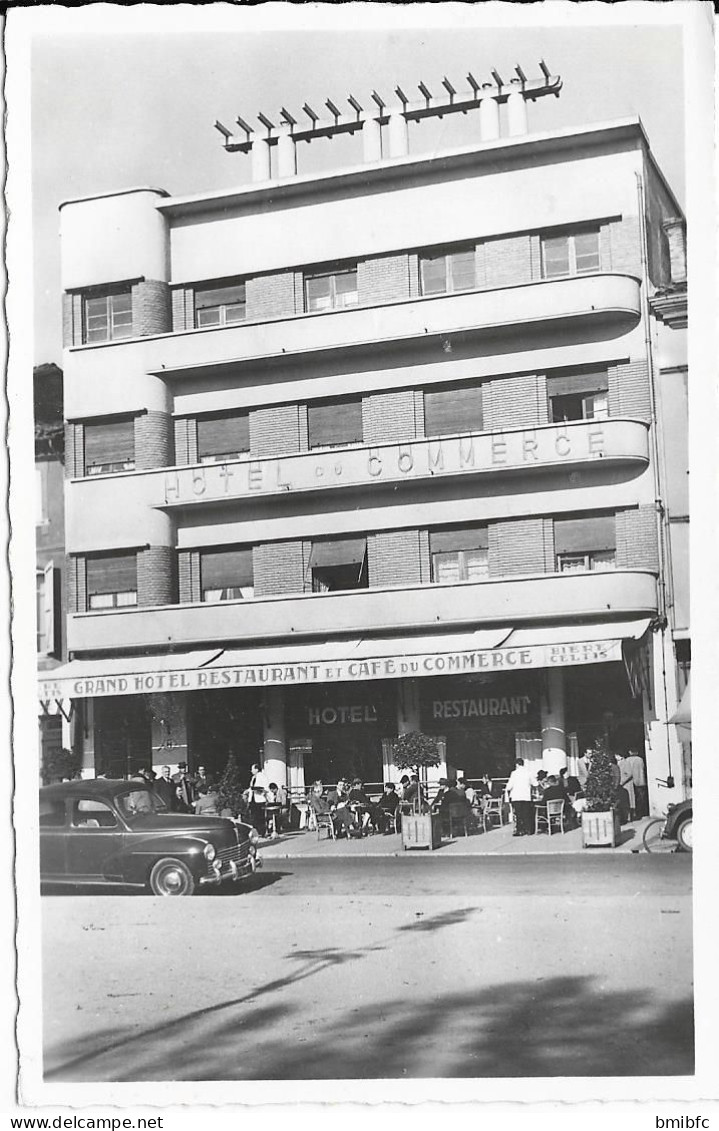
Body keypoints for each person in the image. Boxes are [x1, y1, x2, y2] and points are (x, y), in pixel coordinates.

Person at [504, 757, 534, 837]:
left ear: (517, 764)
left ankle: (520, 830)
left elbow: (509, 785)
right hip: (526, 796)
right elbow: (535, 783)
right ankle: (528, 830)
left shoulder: (514, 773)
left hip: (517, 796)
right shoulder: (528, 772)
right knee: (527, 813)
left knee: (519, 814)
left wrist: (507, 789)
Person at [247, 762, 270, 835]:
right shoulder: (253, 778)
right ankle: (255, 832)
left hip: (259, 799)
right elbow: (251, 788)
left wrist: (260, 790)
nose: (251, 771)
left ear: (257, 769)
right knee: (254, 817)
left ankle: (262, 832)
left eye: (252, 769)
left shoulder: (262, 776)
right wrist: (247, 791)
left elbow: (266, 787)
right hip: (253, 799)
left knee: (260, 816)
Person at [625, 748, 648, 818]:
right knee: (641, 797)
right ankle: (642, 812)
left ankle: (634, 813)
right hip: (640, 781)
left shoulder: (627, 760)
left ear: (630, 752)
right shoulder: (640, 759)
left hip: (631, 781)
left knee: (633, 798)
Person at [615, 753, 636, 820]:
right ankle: (625, 816)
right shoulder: (619, 762)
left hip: (626, 784)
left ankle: (630, 817)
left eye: (616, 755)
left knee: (628, 801)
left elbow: (629, 773)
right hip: (622, 785)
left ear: (619, 755)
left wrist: (621, 782)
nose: (615, 757)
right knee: (623, 801)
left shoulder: (626, 762)